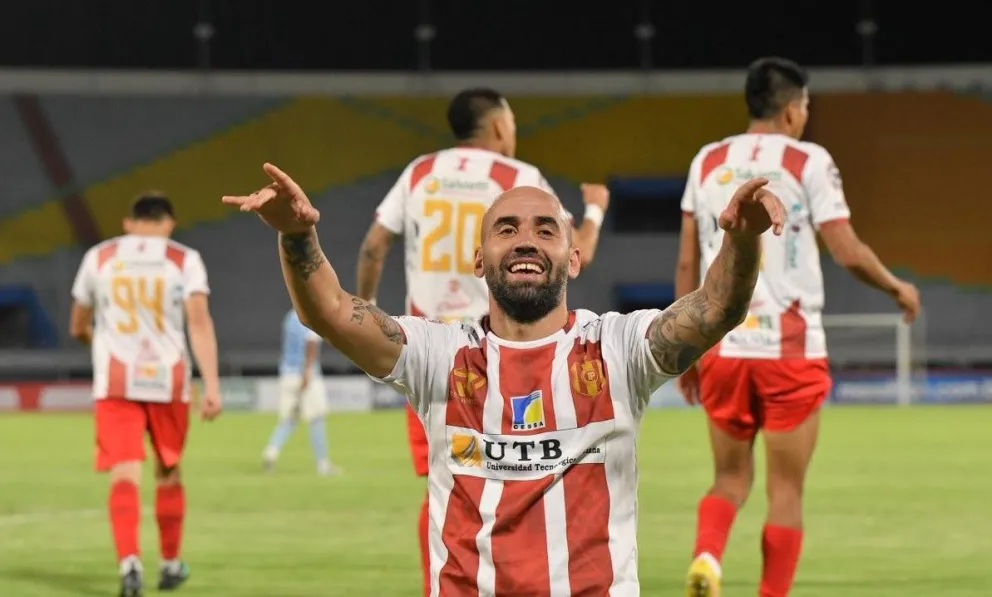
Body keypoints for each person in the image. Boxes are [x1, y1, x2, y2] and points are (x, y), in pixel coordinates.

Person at [223, 162, 785, 596]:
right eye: (506, 228)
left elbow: (716, 309)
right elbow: (330, 311)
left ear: (573, 258)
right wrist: (298, 236)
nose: (525, 240)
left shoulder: (615, 349)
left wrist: (742, 237)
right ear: (478, 258)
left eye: (546, 230)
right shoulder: (437, 353)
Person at [676, 57, 921, 597]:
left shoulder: (706, 160)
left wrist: (685, 348)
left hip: (721, 343)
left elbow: (687, 265)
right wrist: (896, 287)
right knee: (786, 490)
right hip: (789, 348)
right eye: (806, 107)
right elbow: (846, 249)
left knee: (729, 479)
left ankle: (707, 558)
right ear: (792, 109)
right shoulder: (809, 160)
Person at [354, 87, 610, 596]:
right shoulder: (519, 181)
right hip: (500, 346)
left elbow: (373, 246)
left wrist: (368, 318)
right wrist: (596, 209)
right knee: (527, 468)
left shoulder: (420, 173)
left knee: (443, 480)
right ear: (498, 127)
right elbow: (574, 254)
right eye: (512, 123)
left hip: (432, 353)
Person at [69, 192, 222, 597]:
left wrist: (98, 344)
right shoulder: (183, 259)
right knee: (168, 469)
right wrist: (212, 384)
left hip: (117, 381)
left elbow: (78, 323)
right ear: (168, 223)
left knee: (124, 470)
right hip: (168, 380)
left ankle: (129, 563)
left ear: (129, 222)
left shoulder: (99, 257)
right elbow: (199, 321)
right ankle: (170, 564)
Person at [261, 308, 339, 476]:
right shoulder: (311, 314)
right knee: (317, 418)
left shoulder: (289, 317)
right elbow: (311, 342)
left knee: (289, 418)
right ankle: (323, 464)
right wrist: (308, 371)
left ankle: (271, 451)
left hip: (287, 373)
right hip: (305, 374)